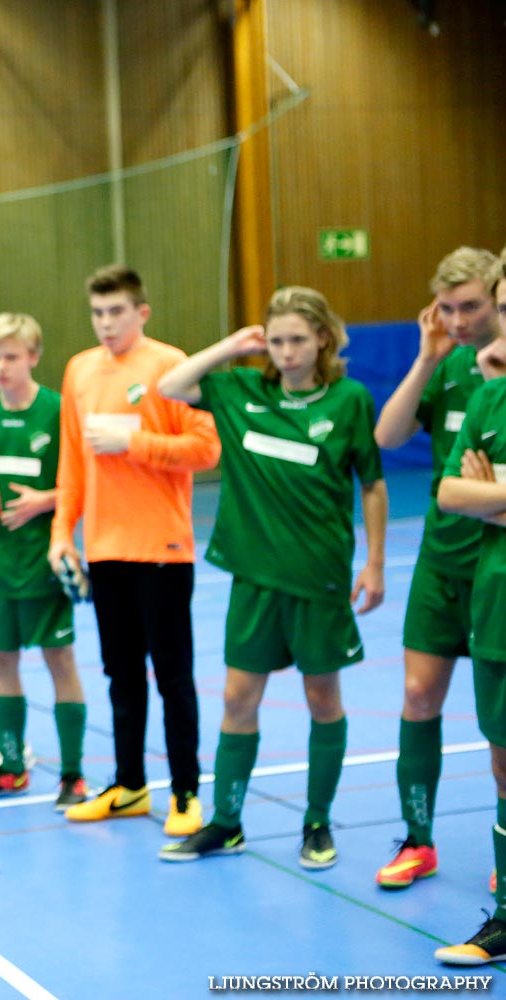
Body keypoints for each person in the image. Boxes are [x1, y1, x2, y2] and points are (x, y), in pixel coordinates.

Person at [156, 286, 387, 869]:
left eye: (298, 340)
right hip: (254, 579)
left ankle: (316, 822)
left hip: (320, 578)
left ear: (323, 341)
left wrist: (375, 562)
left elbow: (374, 485)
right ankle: (227, 823)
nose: (285, 352)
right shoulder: (240, 391)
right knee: (238, 697)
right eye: (276, 340)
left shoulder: (350, 400)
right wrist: (233, 346)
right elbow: (171, 386)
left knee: (321, 696)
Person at [50, 264, 220, 837]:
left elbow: (206, 447)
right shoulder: (78, 370)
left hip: (163, 549)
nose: (105, 324)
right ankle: (129, 786)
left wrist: (134, 442)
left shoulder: (169, 366)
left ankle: (186, 793)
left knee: (173, 676)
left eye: (116, 312)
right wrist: (60, 535)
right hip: (104, 548)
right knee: (121, 674)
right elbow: (71, 462)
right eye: (97, 313)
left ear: (141, 312)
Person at [372, 247, 504, 889]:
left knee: (499, 724)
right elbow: (387, 437)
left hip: (494, 570)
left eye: (472, 306)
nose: (458, 319)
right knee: (420, 696)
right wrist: (425, 358)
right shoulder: (448, 365)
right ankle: (417, 841)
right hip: (439, 562)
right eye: (446, 308)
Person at [0, 313, 88, 809]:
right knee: (0, 663)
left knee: (60, 662)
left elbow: (81, 483)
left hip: (41, 564)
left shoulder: (57, 411)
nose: (2, 366)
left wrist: (42, 501)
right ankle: (12, 766)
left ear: (33, 356)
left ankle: (73, 775)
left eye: (12, 356)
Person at [433, 266, 506, 967]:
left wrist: (497, 494)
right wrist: (484, 498)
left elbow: (477, 491)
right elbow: (452, 491)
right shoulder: (490, 397)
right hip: (496, 604)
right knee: (505, 766)